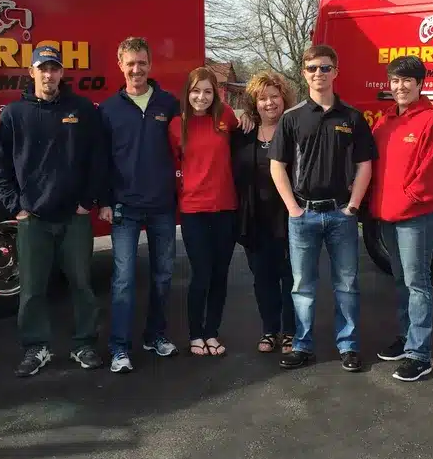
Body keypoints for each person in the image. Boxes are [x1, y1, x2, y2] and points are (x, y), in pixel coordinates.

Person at [0, 45, 105, 378]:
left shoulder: (82, 110)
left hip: (74, 217)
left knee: (82, 284)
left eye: (54, 69)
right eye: (42, 69)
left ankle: (84, 343)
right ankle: (35, 347)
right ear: (32, 72)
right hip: (34, 220)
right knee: (32, 289)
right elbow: (0, 167)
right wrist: (17, 208)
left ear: (62, 73)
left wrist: (88, 201)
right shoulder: (14, 114)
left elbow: (97, 160)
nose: (48, 74)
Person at [269, 45, 377, 372]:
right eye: (313, 68)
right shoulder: (291, 118)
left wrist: (354, 206)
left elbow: (365, 165)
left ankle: (349, 345)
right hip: (303, 215)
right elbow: (277, 166)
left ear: (336, 71)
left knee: (347, 284)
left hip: (341, 215)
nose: (319, 73)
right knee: (303, 286)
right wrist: (293, 209)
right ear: (304, 72)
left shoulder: (353, 118)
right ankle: (302, 346)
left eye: (325, 68)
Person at [97, 37, 182, 374]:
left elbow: (197, 132)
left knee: (163, 276)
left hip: (162, 204)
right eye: (130, 63)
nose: (136, 69)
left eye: (142, 62)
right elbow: (100, 160)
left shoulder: (168, 104)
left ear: (150, 64)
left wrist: (242, 117)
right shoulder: (108, 110)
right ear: (120, 65)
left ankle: (155, 336)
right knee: (123, 280)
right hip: (125, 207)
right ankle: (119, 347)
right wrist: (103, 200)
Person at [369, 56, 433, 382]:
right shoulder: (385, 121)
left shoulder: (431, 122)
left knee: (417, 283)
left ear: (420, 84)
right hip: (387, 215)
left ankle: (420, 354)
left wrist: (407, 200)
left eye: (407, 80)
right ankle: (406, 338)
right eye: (394, 80)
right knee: (400, 279)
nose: (400, 86)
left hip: (416, 217)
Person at [168, 67, 240, 357]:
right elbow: (172, 166)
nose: (201, 97)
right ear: (188, 93)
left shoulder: (227, 118)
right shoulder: (176, 125)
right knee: (201, 273)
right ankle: (196, 334)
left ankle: (212, 332)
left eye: (208, 91)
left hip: (225, 207)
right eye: (196, 91)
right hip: (194, 209)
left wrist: (247, 115)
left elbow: (245, 138)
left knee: (221, 274)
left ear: (216, 94)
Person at [231, 70, 297, 355]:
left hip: (289, 215)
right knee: (262, 277)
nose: (269, 103)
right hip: (254, 217)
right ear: (253, 103)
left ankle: (291, 332)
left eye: (274, 96)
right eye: (262, 98)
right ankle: (269, 330)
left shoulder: (294, 128)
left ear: (284, 98)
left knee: (291, 277)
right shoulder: (243, 133)